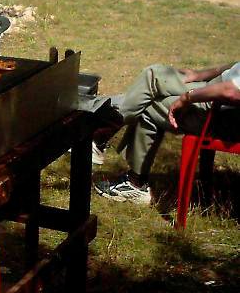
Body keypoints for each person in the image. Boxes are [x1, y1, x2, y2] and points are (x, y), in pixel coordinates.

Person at [95, 62, 240, 205]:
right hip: (219, 88)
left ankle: (133, 181)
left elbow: (232, 92)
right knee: (153, 76)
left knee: (150, 102)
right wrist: (201, 74)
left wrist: (187, 98)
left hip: (221, 109)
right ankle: (102, 135)